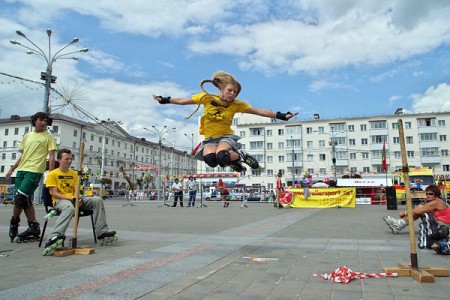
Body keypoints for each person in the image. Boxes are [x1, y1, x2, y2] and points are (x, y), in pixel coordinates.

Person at [153, 71, 298, 172]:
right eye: (230, 90)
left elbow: (259, 111)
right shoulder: (208, 98)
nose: (232, 94)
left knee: (222, 156)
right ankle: (235, 162)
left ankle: (241, 156)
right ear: (222, 89)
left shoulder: (237, 104)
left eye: (235, 92)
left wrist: (282, 115)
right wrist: (165, 100)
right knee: (211, 160)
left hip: (225, 137)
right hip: (210, 139)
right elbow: (184, 100)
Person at [43, 149, 116, 254]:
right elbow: (54, 193)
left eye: (70, 158)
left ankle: (102, 231)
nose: (69, 161)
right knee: (69, 208)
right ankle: (54, 236)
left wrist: (78, 198)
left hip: (74, 199)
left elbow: (76, 190)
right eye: (66, 159)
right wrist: (71, 199)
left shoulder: (74, 174)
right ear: (59, 160)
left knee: (97, 200)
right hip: (60, 200)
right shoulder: (52, 174)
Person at [6, 112, 57, 243]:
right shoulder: (28, 136)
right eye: (41, 120)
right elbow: (23, 155)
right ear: (35, 121)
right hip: (22, 170)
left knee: (20, 198)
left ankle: (14, 222)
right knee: (24, 199)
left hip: (35, 171)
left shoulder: (49, 137)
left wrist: (51, 173)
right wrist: (12, 168)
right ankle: (33, 226)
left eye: (46, 121)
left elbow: (51, 156)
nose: (44, 123)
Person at [383, 184, 450, 249]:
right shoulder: (437, 201)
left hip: (443, 225)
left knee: (420, 209)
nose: (428, 196)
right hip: (439, 223)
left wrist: (404, 213)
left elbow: (418, 211)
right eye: (427, 194)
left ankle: (400, 223)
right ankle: (400, 224)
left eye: (430, 194)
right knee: (420, 208)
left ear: (436, 194)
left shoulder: (436, 202)